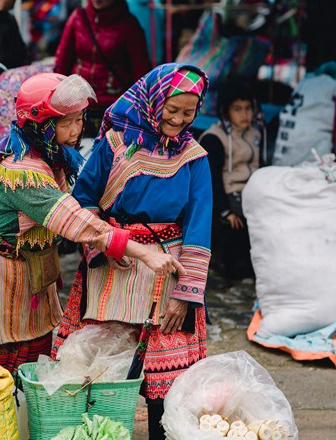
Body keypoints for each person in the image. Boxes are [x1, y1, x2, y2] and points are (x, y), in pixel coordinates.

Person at [0, 72, 184, 374]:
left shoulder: (51, 155)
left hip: (25, 271)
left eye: (79, 119)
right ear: (41, 125)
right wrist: (144, 252)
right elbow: (76, 221)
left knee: (21, 367)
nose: (76, 129)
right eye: (67, 122)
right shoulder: (22, 170)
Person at [52, 63, 212, 440]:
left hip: (167, 271)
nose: (177, 119)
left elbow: (199, 231)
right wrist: (105, 246)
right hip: (115, 264)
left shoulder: (195, 158)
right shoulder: (115, 144)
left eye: (188, 113)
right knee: (100, 373)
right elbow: (83, 202)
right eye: (171, 109)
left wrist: (185, 295)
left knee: (166, 384)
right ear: (154, 100)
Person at [54, 0, 151, 137]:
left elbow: (141, 71)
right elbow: (62, 61)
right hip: (77, 102)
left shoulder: (129, 24)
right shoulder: (78, 17)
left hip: (113, 107)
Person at [200, 80, 261, 280]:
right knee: (240, 225)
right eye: (237, 109)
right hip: (228, 196)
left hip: (252, 192)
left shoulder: (255, 133)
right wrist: (225, 211)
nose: (245, 114)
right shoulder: (214, 137)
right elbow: (212, 178)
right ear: (225, 111)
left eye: (248, 108)